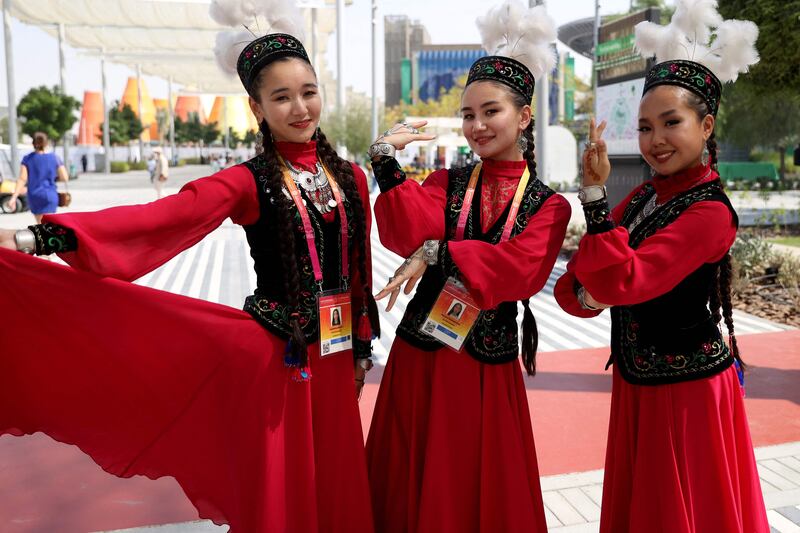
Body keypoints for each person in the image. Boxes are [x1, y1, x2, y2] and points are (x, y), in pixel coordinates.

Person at [0, 12, 379, 532]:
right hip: (280, 360)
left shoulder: (352, 178)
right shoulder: (249, 182)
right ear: (257, 108)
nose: (300, 107)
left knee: (335, 478)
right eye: (281, 97)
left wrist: (361, 347)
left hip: (336, 361)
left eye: (308, 92)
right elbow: (163, 218)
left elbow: (358, 272)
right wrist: (37, 236)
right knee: (283, 488)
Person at [554, 4, 768, 532]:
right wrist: (600, 288)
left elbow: (622, 279)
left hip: (687, 393)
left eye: (672, 122)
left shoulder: (711, 214)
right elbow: (573, 289)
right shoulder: (646, 197)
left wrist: (595, 198)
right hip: (638, 385)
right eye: (646, 127)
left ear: (707, 124)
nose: (656, 140)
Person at [365, 3, 570, 532]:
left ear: (524, 115)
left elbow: (519, 271)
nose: (476, 126)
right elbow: (405, 230)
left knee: (477, 488)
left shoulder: (548, 205)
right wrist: (385, 157)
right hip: (422, 356)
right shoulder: (448, 183)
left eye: (491, 112)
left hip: (485, 366)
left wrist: (440, 251)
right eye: (468, 114)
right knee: (413, 486)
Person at [8, 132, 69, 223]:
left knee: (40, 225)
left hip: (34, 196)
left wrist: (14, 197)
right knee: (50, 225)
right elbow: (64, 177)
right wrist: (53, 178)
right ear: (46, 143)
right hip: (50, 195)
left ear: (33, 144)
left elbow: (22, 179)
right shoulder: (54, 157)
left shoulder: (27, 158)